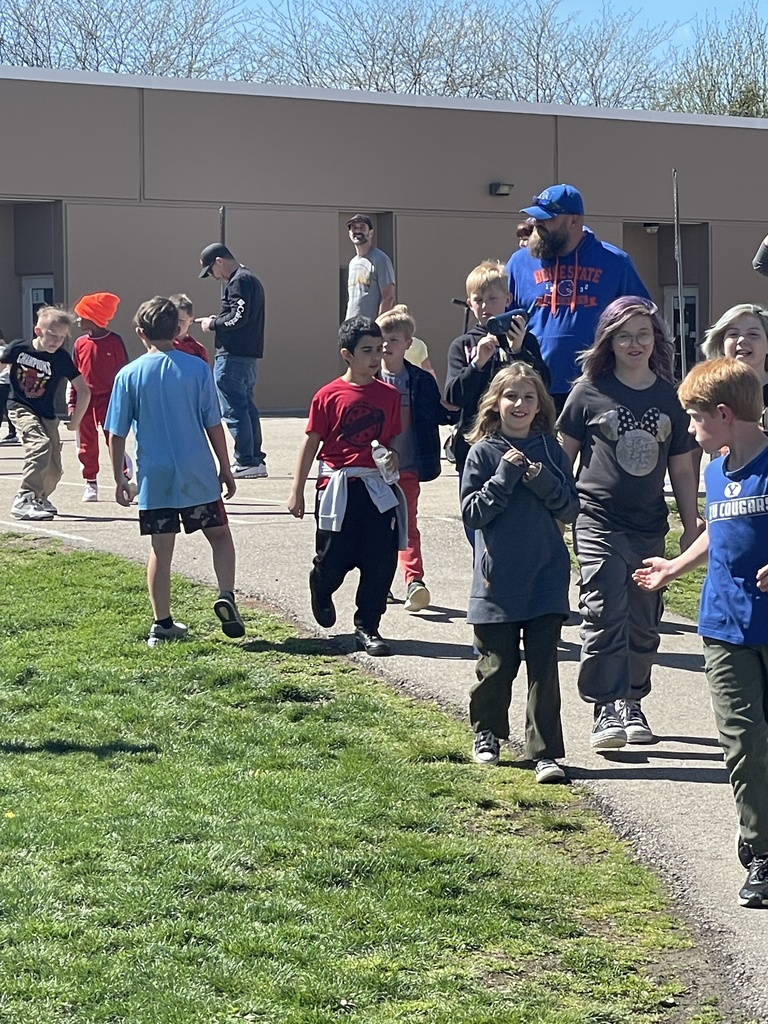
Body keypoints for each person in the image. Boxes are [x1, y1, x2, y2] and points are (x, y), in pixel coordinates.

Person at [634, 357, 768, 908]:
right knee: (743, 741)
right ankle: (760, 851)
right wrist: (672, 567)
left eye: (694, 418)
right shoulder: (715, 469)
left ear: (723, 412)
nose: (689, 430)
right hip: (723, 625)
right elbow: (719, 529)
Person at [557, 297, 701, 749]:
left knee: (642, 620)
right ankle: (604, 708)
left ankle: (633, 702)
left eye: (643, 334)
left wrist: (691, 522)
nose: (634, 343)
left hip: (648, 526)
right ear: (609, 341)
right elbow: (565, 458)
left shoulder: (669, 396)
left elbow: (680, 467)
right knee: (602, 612)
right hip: (596, 519)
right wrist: (556, 515)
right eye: (624, 335)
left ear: (656, 338)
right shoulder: (588, 391)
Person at [105, 296, 245, 647]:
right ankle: (226, 594)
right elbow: (213, 422)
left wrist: (119, 477)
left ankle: (162, 624)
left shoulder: (129, 375)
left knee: (160, 550)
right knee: (220, 536)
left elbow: (116, 432)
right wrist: (225, 467)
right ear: (178, 329)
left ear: (140, 332)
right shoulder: (196, 368)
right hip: (196, 471)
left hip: (156, 477)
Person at [461, 363, 578, 780]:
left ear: (540, 405)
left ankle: (543, 751)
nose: (520, 404)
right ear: (496, 403)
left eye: (529, 397)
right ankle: (487, 732)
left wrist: (541, 479)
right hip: (496, 581)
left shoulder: (550, 450)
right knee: (497, 664)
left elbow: (570, 507)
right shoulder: (483, 452)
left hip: (546, 577)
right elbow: (473, 513)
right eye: (511, 396)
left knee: (543, 668)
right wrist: (506, 475)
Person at [287, 317, 403, 657]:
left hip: (376, 489)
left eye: (379, 350)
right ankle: (321, 586)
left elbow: (391, 441)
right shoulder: (327, 396)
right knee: (334, 558)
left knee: (380, 560)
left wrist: (392, 458)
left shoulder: (389, 396)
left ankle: (368, 626)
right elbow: (310, 444)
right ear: (347, 355)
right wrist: (297, 490)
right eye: (366, 351)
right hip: (337, 487)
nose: (375, 358)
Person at [505, 184, 651, 412]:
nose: (536, 225)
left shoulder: (614, 262)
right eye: (535, 218)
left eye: (546, 219)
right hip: (533, 389)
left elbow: (644, 318)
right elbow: (506, 322)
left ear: (573, 222)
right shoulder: (519, 263)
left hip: (598, 386)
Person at [376, 304, 451, 611]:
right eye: (381, 339)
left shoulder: (420, 381)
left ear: (409, 344)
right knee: (378, 529)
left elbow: (441, 414)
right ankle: (379, 583)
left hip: (408, 467)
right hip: (373, 471)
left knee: (407, 524)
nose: (385, 345)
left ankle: (414, 582)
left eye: (394, 339)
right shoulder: (369, 381)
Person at [444, 260, 549, 479]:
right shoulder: (463, 345)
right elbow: (453, 396)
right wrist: (477, 364)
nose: (485, 306)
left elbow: (544, 385)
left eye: (492, 299)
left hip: (520, 440)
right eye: (478, 300)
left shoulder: (524, 340)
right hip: (475, 441)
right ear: (470, 304)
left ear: (507, 299)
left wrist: (519, 351)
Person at [2, 307, 92, 519]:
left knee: (54, 467)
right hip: (20, 406)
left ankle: (40, 497)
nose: (57, 341)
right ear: (38, 331)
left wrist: (74, 422)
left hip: (47, 414)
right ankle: (24, 497)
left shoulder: (60, 358)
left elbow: (84, 390)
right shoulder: (19, 348)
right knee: (39, 445)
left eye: (61, 337)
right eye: (52, 335)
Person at [196, 242, 267, 479]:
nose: (214, 277)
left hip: (233, 356)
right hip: (246, 356)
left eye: (211, 271)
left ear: (219, 262)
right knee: (246, 408)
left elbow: (238, 317)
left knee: (235, 410)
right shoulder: (250, 279)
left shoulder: (239, 281)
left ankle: (246, 460)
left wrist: (212, 324)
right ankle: (254, 459)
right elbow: (238, 314)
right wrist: (220, 318)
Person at [68, 292, 129, 502]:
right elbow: (74, 374)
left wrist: (125, 402)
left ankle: (123, 475)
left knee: (113, 439)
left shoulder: (114, 341)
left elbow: (123, 373)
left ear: (93, 318)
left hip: (110, 400)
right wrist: (72, 402)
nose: (77, 321)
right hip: (86, 401)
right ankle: (90, 482)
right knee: (86, 443)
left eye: (81, 316)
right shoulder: (79, 344)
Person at [701, 303, 768, 423]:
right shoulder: (709, 393)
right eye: (733, 334)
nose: (742, 340)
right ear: (721, 346)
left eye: (753, 334)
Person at [345, 215, 396, 320]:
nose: (358, 230)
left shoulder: (380, 259)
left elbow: (388, 297)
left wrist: (380, 326)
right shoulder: (353, 263)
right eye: (354, 228)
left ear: (371, 233)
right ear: (349, 234)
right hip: (351, 324)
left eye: (362, 227)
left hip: (370, 327)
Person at [169, 293, 210, 364]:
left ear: (190, 320)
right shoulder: (163, 345)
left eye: (181, 320)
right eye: (173, 319)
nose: (177, 324)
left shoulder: (198, 349)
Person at [0, 329, 19, 445]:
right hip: (10, 383)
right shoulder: (9, 349)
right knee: (9, 410)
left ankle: (12, 433)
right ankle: (12, 433)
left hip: (1, 383)